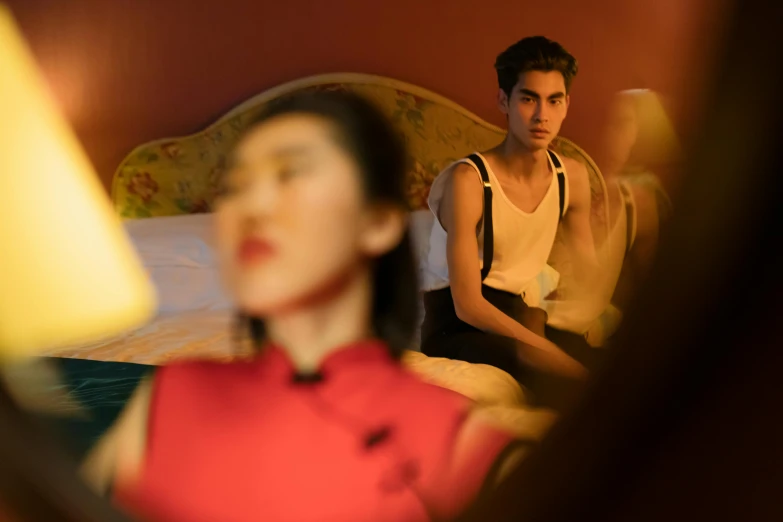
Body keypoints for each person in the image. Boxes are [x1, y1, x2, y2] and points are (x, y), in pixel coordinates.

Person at [81, 91, 523, 522]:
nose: (251, 204)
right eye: (234, 187)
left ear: (377, 223)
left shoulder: (453, 435)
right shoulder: (171, 396)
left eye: (291, 175)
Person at [420, 36, 595, 408]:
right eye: (528, 98)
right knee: (556, 375)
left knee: (602, 364)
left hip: (518, 313)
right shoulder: (468, 181)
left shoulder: (573, 179)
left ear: (567, 105)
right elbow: (467, 304)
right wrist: (543, 347)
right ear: (505, 101)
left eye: (554, 100)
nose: (541, 116)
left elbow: (589, 276)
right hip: (456, 325)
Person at [542, 90, 675, 363]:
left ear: (643, 134)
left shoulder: (641, 197)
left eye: (623, 123)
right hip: (547, 311)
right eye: (610, 121)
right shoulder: (590, 186)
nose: (609, 132)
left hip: (582, 326)